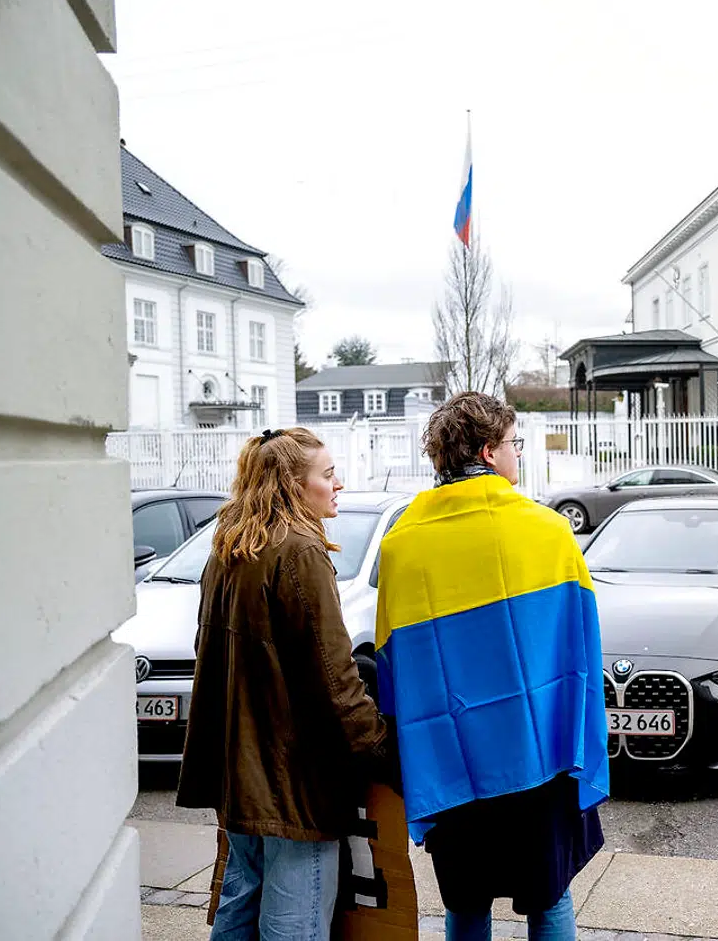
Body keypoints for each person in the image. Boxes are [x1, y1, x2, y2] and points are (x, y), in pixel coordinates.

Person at [376, 393, 609, 941]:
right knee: (549, 898)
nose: (518, 455)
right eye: (513, 444)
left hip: (452, 761)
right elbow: (580, 650)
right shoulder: (548, 531)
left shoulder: (401, 545)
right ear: (487, 450)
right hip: (540, 756)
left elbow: (394, 665)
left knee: (465, 903)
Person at [178, 427, 392, 941]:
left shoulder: (229, 550)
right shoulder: (300, 553)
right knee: (292, 925)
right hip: (294, 786)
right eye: (328, 474)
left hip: (241, 776)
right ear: (294, 486)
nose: (338, 485)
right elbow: (335, 679)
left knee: (239, 908)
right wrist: (383, 749)